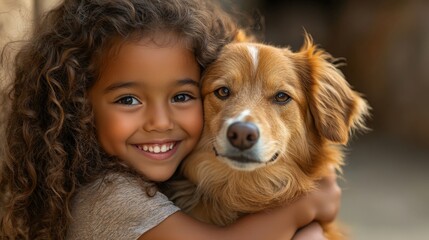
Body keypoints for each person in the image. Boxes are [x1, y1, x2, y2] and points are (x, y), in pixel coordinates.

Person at [0, 0, 341, 239]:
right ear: (78, 104)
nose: (160, 121)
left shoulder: (160, 176)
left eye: (181, 97)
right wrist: (305, 210)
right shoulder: (110, 196)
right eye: (129, 99)